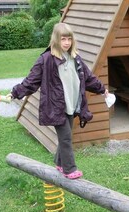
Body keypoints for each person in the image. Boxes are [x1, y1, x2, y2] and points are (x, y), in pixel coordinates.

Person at [9, 23, 108, 179]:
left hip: (71, 105)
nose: (67, 42)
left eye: (69, 39)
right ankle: (69, 169)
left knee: (66, 136)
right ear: (56, 39)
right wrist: (15, 92)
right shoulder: (46, 59)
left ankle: (60, 163)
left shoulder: (75, 58)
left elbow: (88, 78)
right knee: (66, 137)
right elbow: (31, 81)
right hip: (56, 107)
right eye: (63, 39)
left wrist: (102, 89)